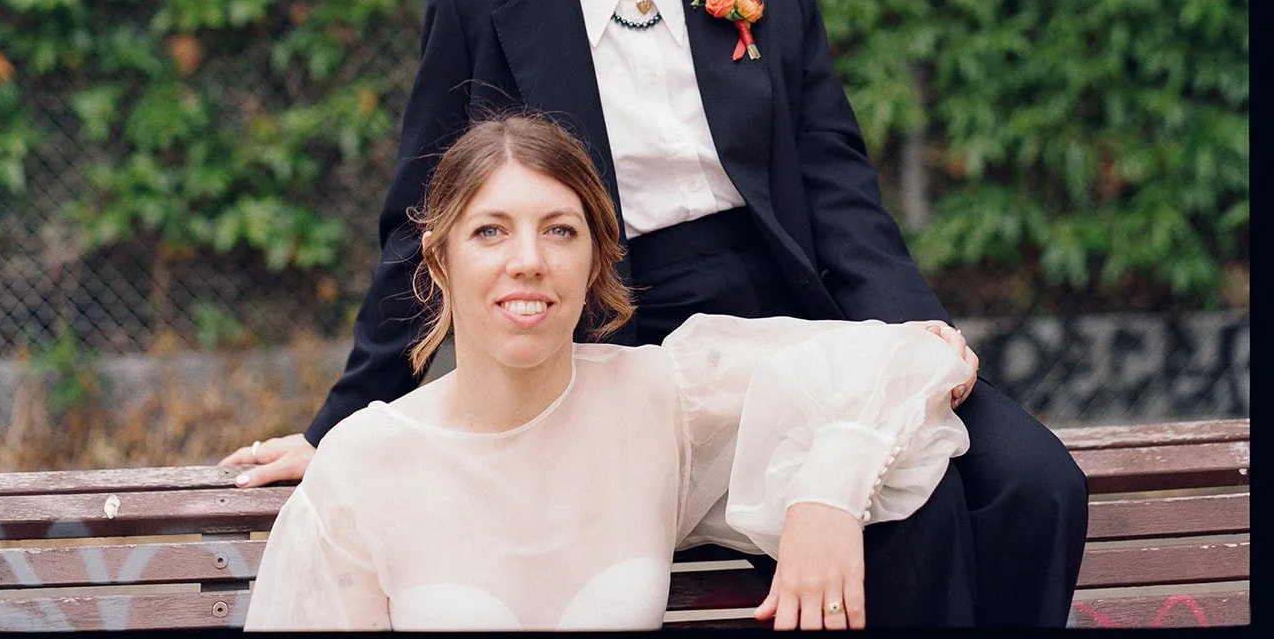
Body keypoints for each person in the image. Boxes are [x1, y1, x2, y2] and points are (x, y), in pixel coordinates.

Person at [224, 0, 1086, 626]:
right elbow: (422, 224)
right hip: (619, 335)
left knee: (1032, 485)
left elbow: (836, 180)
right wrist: (343, 422)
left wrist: (916, 337)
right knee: (909, 512)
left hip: (794, 312)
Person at [245, 116, 975, 630]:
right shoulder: (364, 464)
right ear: (439, 260)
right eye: (490, 231)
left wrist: (826, 494)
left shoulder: (658, 402)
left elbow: (915, 357)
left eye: (560, 230)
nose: (527, 259)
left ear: (595, 258)